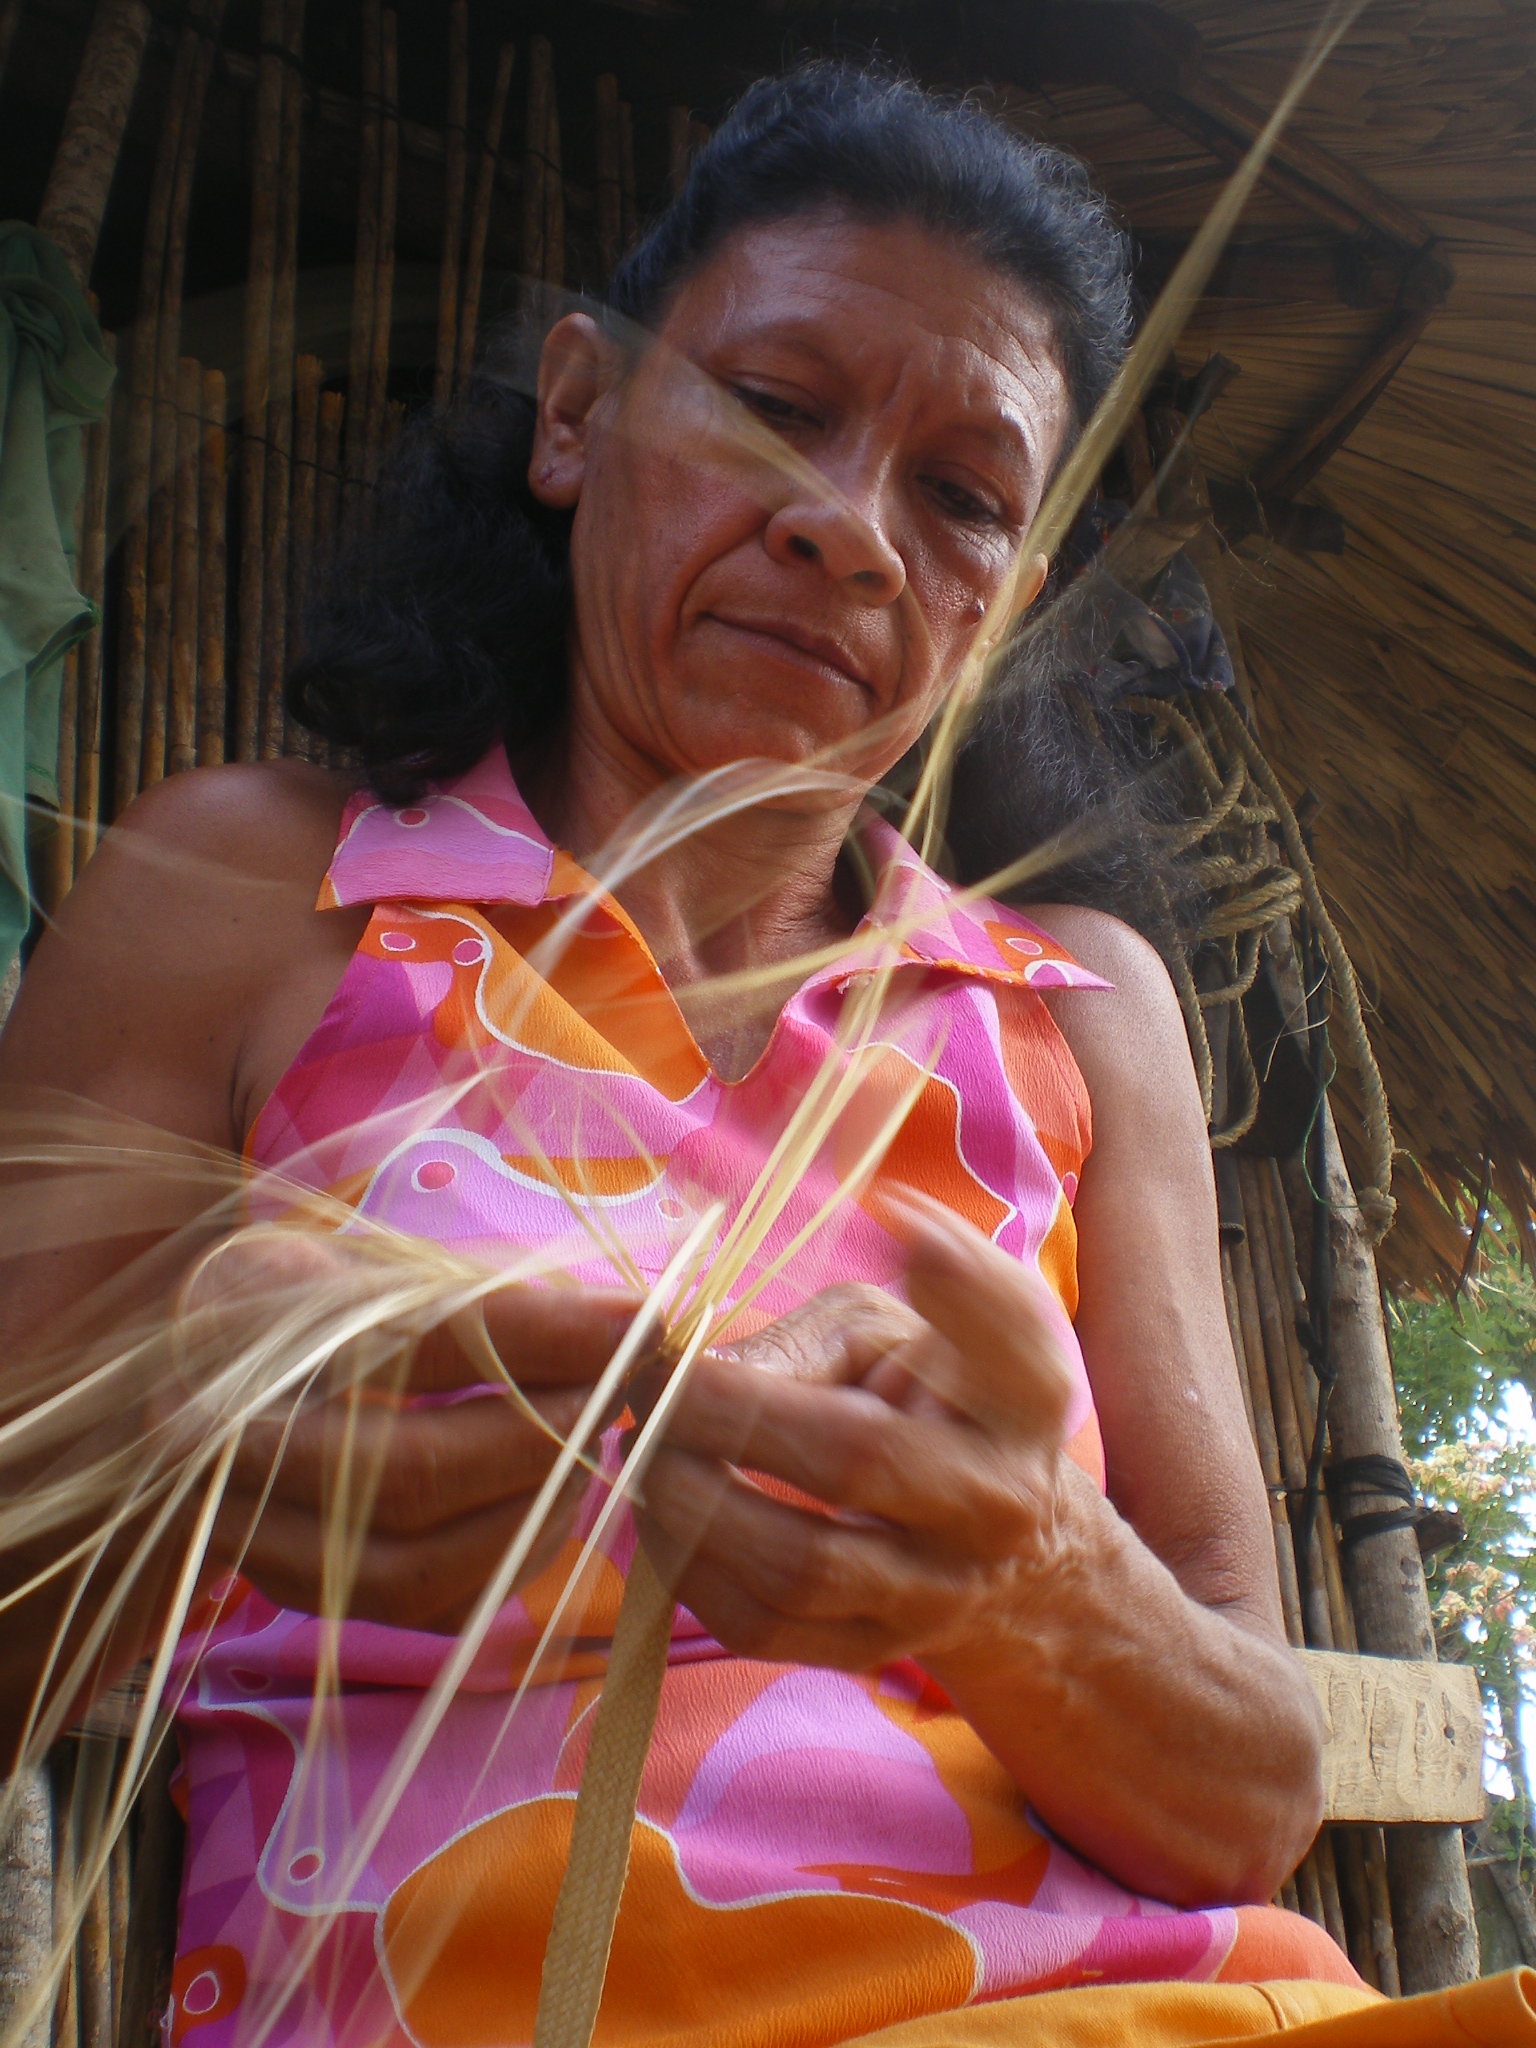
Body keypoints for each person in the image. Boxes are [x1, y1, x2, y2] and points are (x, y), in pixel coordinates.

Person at [3, 60, 1529, 2048]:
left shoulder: (1074, 1013)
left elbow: (1246, 1793)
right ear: (575, 413)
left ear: (1002, 609)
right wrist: (174, 1450)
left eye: (962, 497)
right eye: (776, 409)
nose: (848, 530)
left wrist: (1019, 1569)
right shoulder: (258, 899)